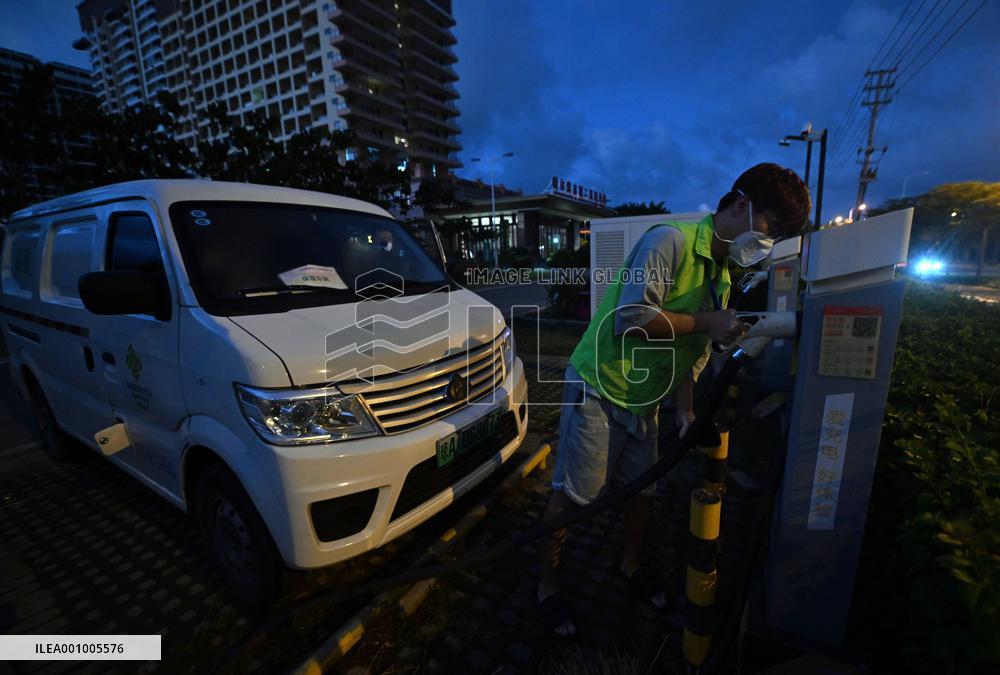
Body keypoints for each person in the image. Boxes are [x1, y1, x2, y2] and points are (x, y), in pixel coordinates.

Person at [537, 163, 811, 636]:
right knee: (574, 497)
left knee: (644, 493)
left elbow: (688, 353)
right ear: (742, 206)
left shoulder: (721, 273)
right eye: (773, 227)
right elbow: (633, 319)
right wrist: (708, 322)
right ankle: (545, 587)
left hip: (646, 401)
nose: (771, 241)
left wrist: (685, 411)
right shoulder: (672, 240)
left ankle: (630, 567)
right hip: (600, 386)